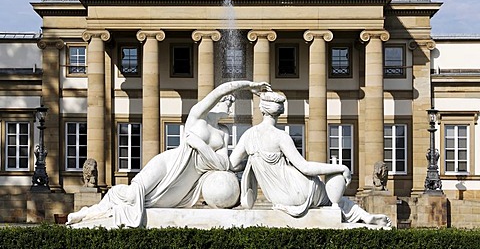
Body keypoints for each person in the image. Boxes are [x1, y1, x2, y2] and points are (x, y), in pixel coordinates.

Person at [67, 80, 270, 228]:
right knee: (130, 195)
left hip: (185, 183)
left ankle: (93, 215)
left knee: (150, 204)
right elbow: (219, 91)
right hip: (169, 165)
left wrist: (200, 146)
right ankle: (87, 215)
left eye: (231, 102)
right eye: (227, 101)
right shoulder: (197, 117)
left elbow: (223, 165)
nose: (230, 105)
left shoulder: (223, 133)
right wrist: (248, 85)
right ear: (216, 103)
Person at [229, 90, 391, 227]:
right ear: (280, 111)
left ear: (262, 110)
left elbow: (233, 164)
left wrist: (255, 161)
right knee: (333, 193)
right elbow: (305, 167)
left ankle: (362, 215)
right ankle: (363, 215)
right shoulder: (281, 137)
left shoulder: (248, 135)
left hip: (277, 197)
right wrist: (342, 168)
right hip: (299, 192)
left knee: (332, 198)